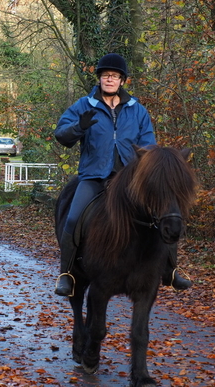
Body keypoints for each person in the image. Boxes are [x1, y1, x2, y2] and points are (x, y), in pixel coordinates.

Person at [53, 53, 192, 297]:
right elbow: (62, 135)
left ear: (122, 81)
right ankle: (67, 274)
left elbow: (149, 145)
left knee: (165, 212)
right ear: (99, 79)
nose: (109, 79)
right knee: (74, 218)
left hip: (131, 180)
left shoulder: (137, 110)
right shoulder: (83, 106)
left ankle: (171, 270)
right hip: (95, 176)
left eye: (114, 76)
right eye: (105, 76)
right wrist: (79, 128)